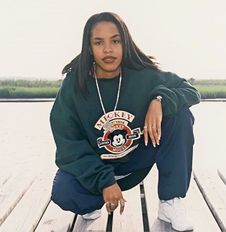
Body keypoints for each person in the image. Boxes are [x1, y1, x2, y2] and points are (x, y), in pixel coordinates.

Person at [50, 12, 200, 231]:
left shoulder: (143, 75)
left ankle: (170, 201)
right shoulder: (74, 85)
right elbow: (68, 145)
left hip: (136, 160)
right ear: (89, 47)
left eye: (115, 41)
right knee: (64, 192)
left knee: (179, 114)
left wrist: (159, 100)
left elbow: (190, 91)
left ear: (125, 43)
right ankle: (93, 200)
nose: (108, 49)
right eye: (99, 42)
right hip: (97, 166)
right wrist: (103, 180)